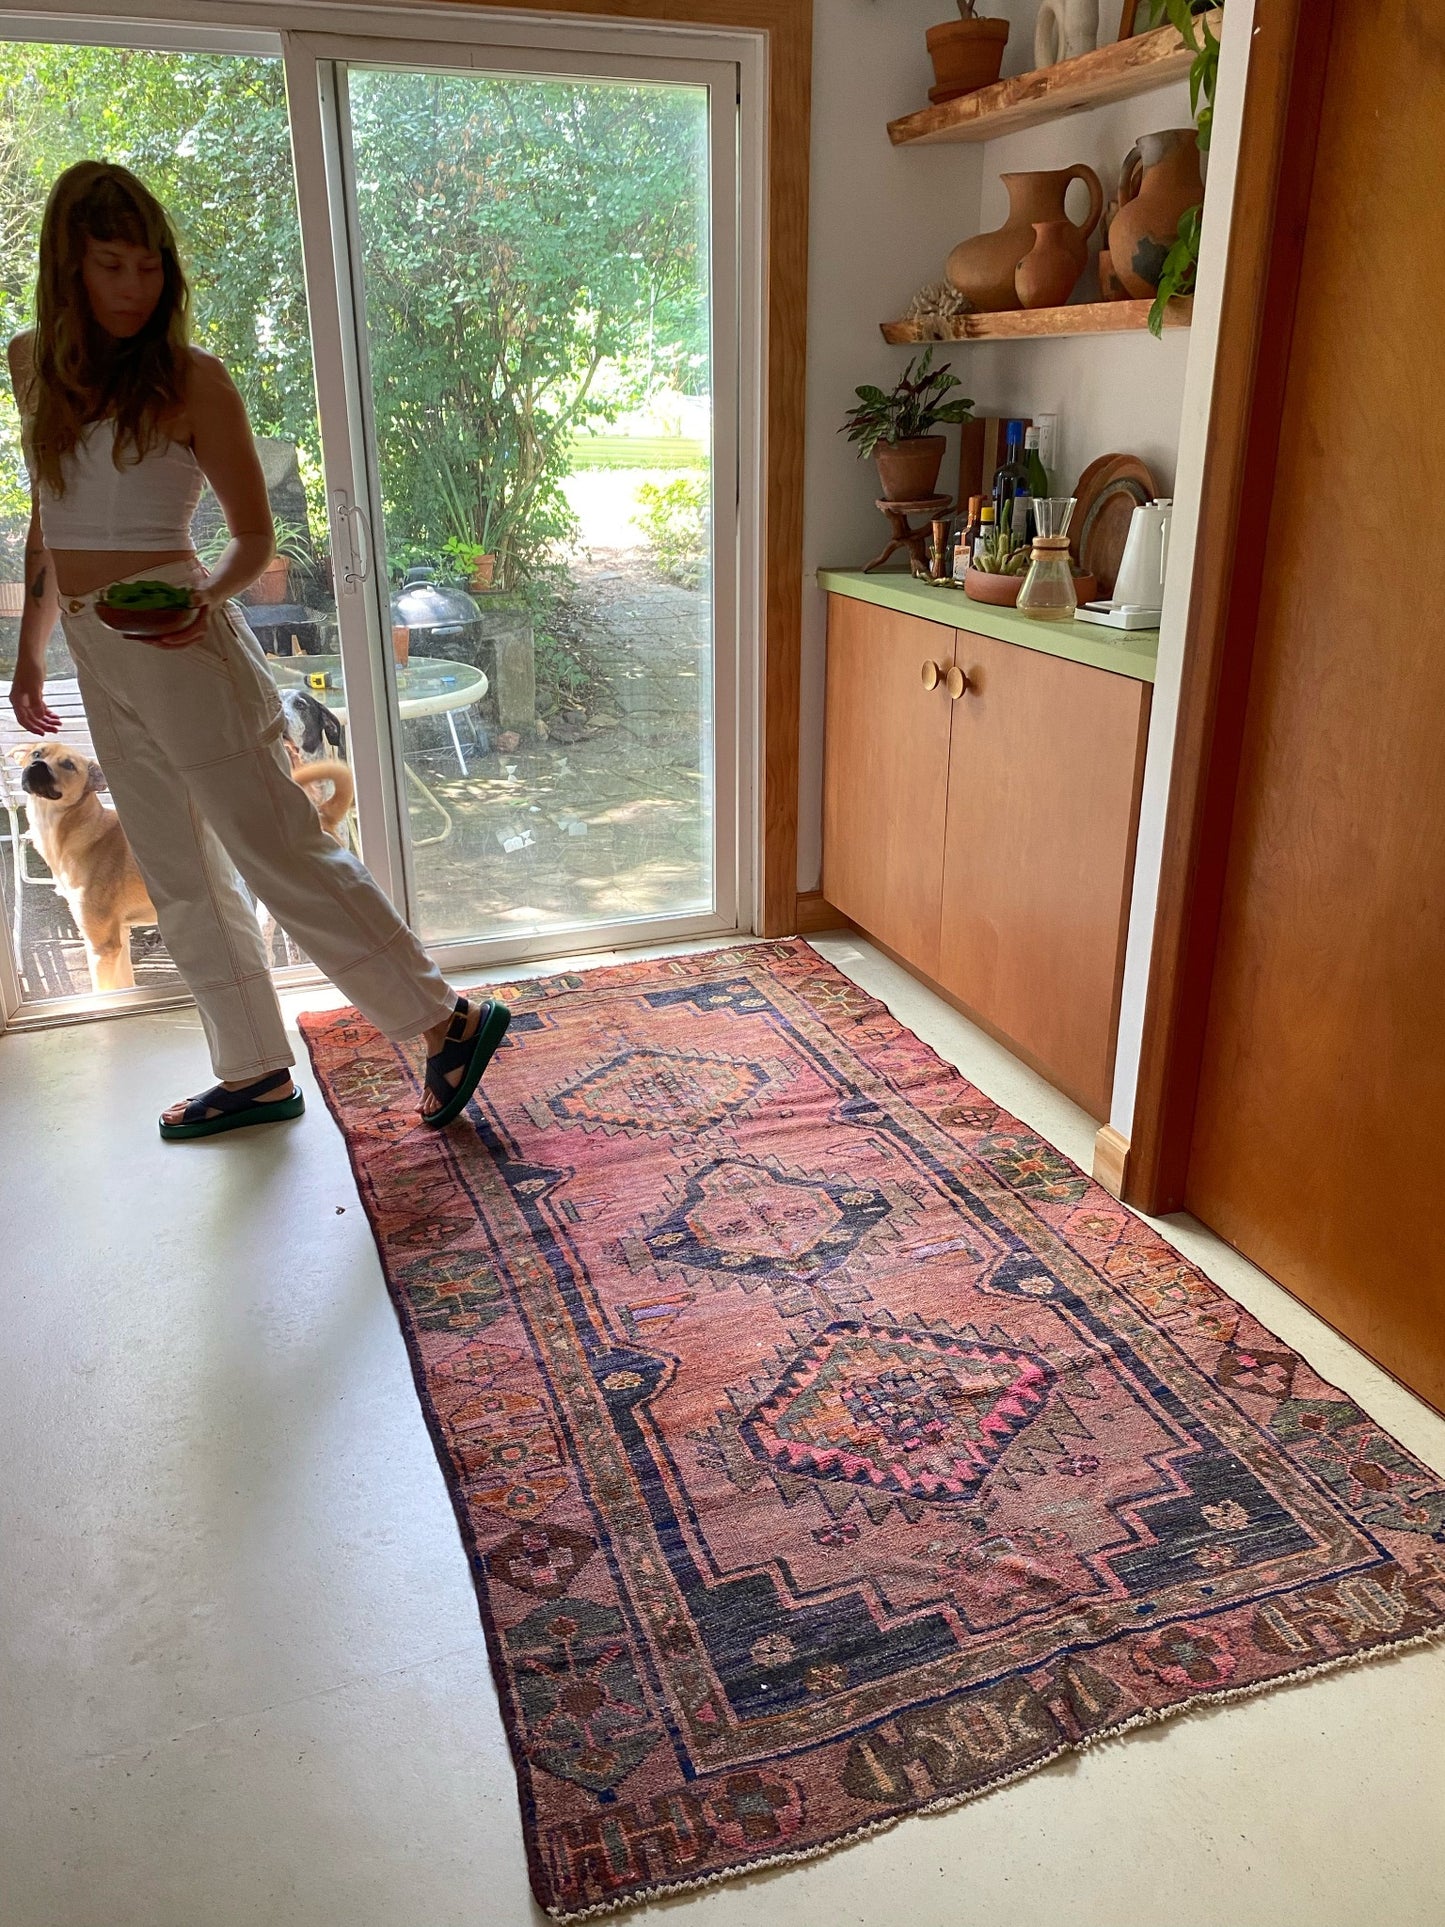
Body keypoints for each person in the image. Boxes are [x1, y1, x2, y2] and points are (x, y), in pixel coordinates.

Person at [6, 160, 510, 1141]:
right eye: (110, 265)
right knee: (176, 870)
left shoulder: (193, 379)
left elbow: (250, 540)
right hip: (97, 654)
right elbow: (46, 516)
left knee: (279, 846)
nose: (133, 288)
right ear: (68, 268)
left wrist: (205, 596)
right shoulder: (31, 363)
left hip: (186, 646)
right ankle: (252, 1071)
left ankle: (444, 1021)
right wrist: (32, 653)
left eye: (149, 267)